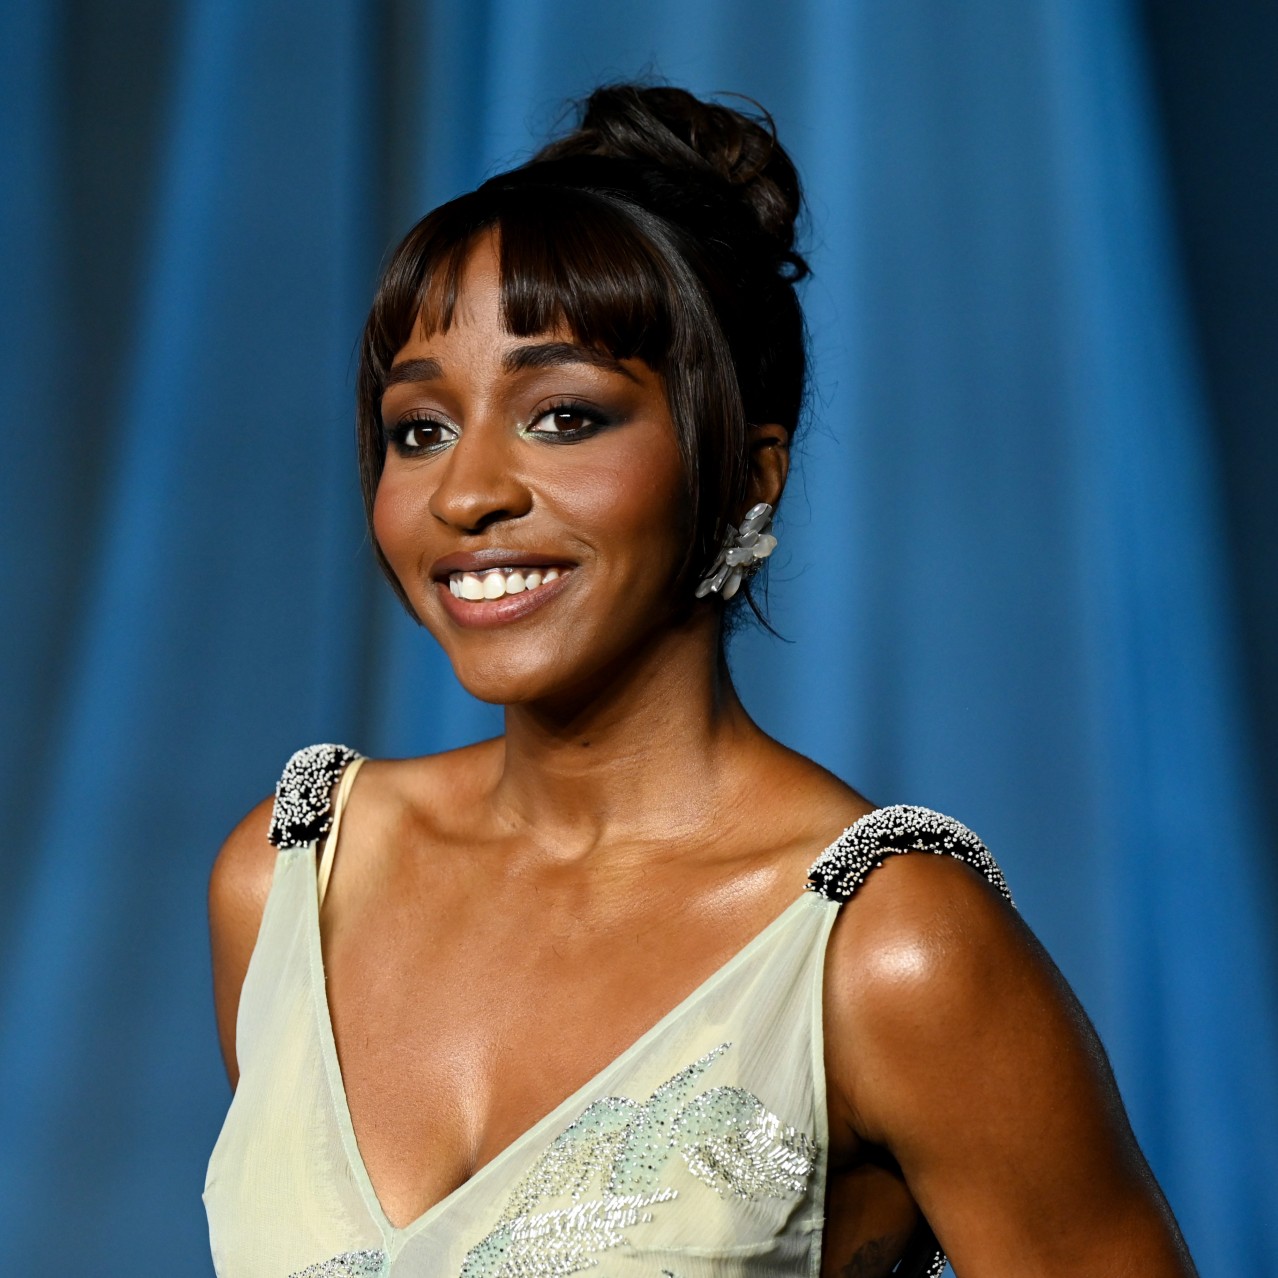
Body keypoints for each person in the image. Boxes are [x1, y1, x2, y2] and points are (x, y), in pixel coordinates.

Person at [204, 85, 1197, 1278]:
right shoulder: (290, 880)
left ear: (745, 474)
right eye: (418, 428)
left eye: (563, 416)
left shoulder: (886, 951)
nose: (466, 494)